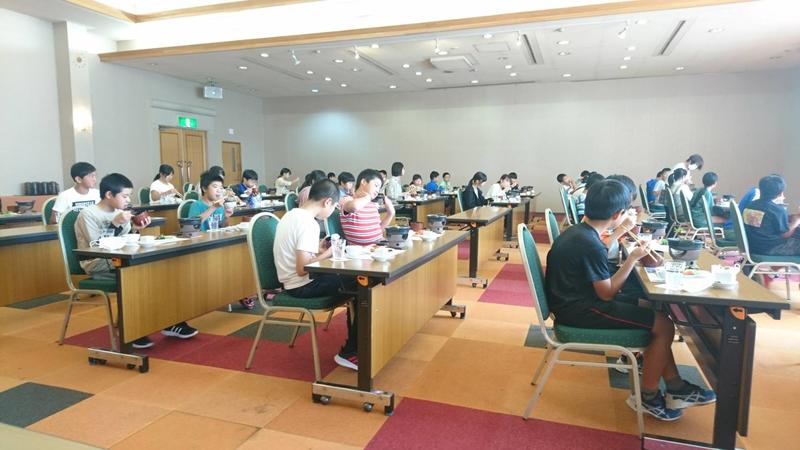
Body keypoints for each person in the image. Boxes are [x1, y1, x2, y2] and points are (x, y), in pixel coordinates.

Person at [545, 179, 715, 421]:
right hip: (580, 310)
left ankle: (676, 386)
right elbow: (606, 293)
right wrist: (632, 258)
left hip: (574, 300)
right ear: (617, 214)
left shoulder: (578, 232)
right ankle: (647, 397)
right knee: (664, 326)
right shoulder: (590, 244)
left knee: (652, 310)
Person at [76, 173, 198, 348]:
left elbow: (125, 241)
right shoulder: (88, 214)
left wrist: (135, 229)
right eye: (124, 196)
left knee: (166, 271)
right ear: (109, 194)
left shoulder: (121, 213)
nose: (128, 200)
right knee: (142, 277)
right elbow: (98, 248)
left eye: (129, 196)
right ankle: (133, 330)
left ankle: (171, 321)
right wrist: (115, 224)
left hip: (123, 260)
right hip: (97, 263)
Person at [274, 179, 359, 370]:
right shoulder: (308, 223)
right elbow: (302, 268)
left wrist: (318, 251)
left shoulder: (291, 215)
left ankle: (355, 347)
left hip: (293, 282)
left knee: (356, 280)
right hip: (302, 286)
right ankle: (351, 352)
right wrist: (329, 253)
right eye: (334, 206)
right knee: (362, 283)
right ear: (327, 202)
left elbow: (298, 257)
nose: (332, 211)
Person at [743, 175, 800, 256]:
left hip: (752, 246)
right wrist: (796, 221)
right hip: (770, 249)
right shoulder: (778, 210)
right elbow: (785, 234)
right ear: (780, 193)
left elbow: (764, 222)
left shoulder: (750, 205)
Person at [340, 169, 395, 245]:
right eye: (376, 185)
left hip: (378, 246)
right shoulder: (347, 199)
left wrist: (390, 214)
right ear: (363, 182)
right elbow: (354, 206)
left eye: (379, 188)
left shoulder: (372, 204)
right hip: (358, 250)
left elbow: (378, 231)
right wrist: (368, 197)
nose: (377, 191)